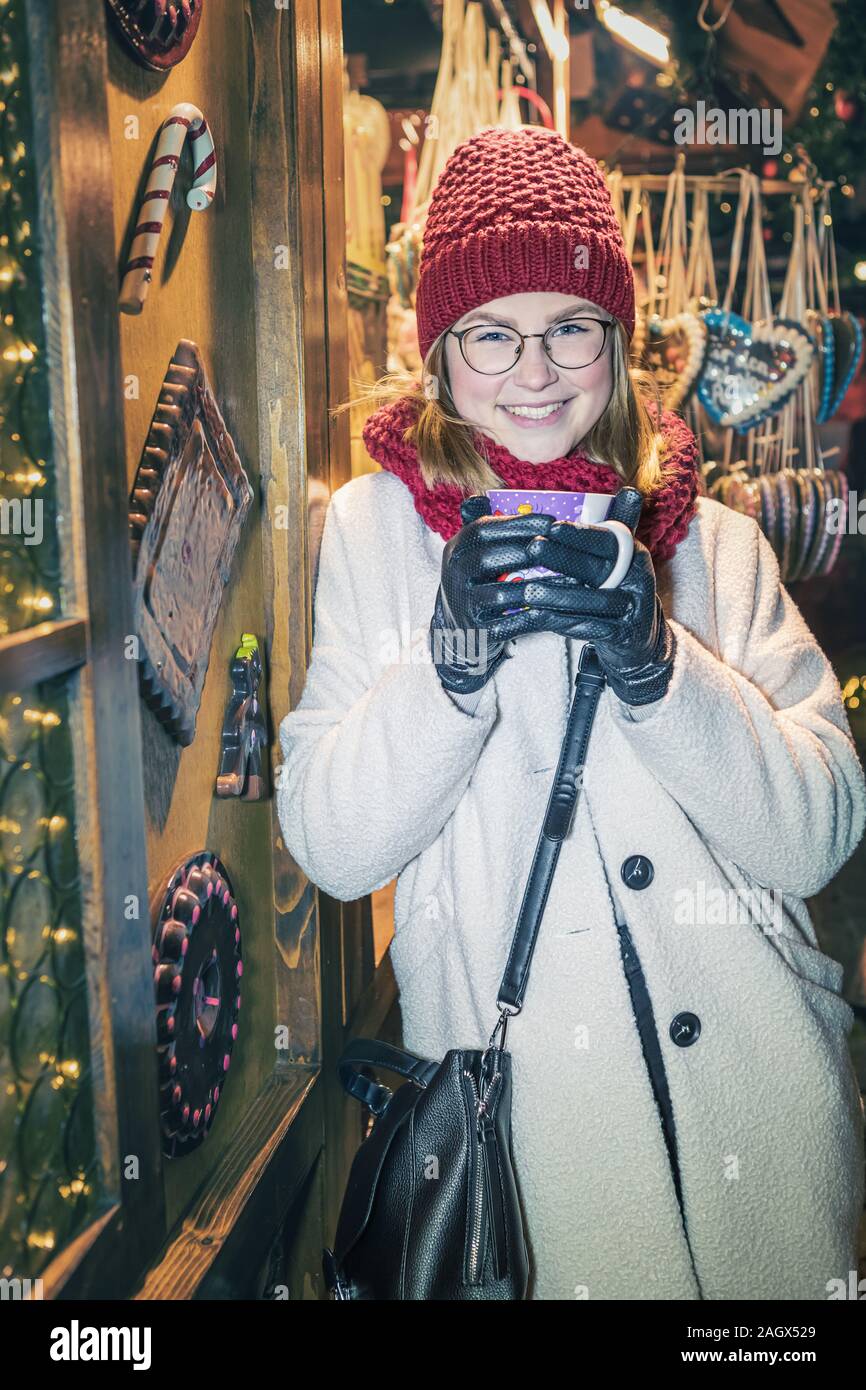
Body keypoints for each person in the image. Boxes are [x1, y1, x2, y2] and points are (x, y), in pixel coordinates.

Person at [277, 126, 866, 1300]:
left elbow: (819, 832)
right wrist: (451, 668)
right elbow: (334, 848)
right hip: (538, 1157)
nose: (533, 372)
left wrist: (662, 673)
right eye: (491, 334)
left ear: (615, 340)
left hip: (760, 1123)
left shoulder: (714, 544)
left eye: (569, 329)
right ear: (438, 353)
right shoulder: (374, 539)